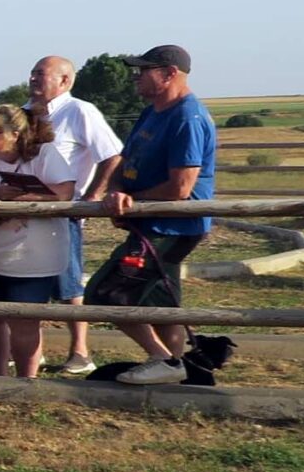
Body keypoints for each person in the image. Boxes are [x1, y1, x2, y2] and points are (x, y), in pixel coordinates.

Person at [94, 45, 223, 386]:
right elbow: (126, 159)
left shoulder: (187, 117)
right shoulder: (152, 111)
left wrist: (131, 199)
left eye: (144, 69)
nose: (135, 76)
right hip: (151, 222)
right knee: (160, 300)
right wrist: (116, 193)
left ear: (169, 74)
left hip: (172, 225)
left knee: (107, 295)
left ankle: (164, 360)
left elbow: (181, 186)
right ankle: (182, 375)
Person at [0, 104, 75, 377]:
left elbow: (65, 191)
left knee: (25, 323)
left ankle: (26, 382)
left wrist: (17, 199)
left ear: (15, 134)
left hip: (32, 261)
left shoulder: (45, 154)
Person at [28, 55, 126, 376]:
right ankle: (33, 351)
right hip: (26, 211)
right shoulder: (25, 115)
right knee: (30, 282)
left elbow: (111, 155)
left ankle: (80, 352)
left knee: (69, 284)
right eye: (32, 73)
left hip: (62, 213)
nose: (32, 79)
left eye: (41, 74)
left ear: (65, 81)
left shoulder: (79, 111)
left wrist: (92, 196)